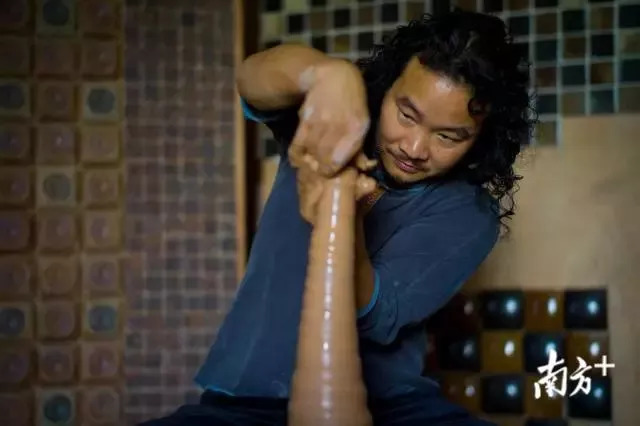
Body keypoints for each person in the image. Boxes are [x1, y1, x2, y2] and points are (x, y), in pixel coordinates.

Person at [141, 9, 535, 426]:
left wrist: (342, 210)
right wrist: (325, 75)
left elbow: (377, 316)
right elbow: (252, 80)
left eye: (448, 136)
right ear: (386, 89)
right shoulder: (333, 124)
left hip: (392, 407)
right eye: (406, 115)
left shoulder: (467, 213)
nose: (415, 148)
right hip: (248, 398)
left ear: (479, 140)